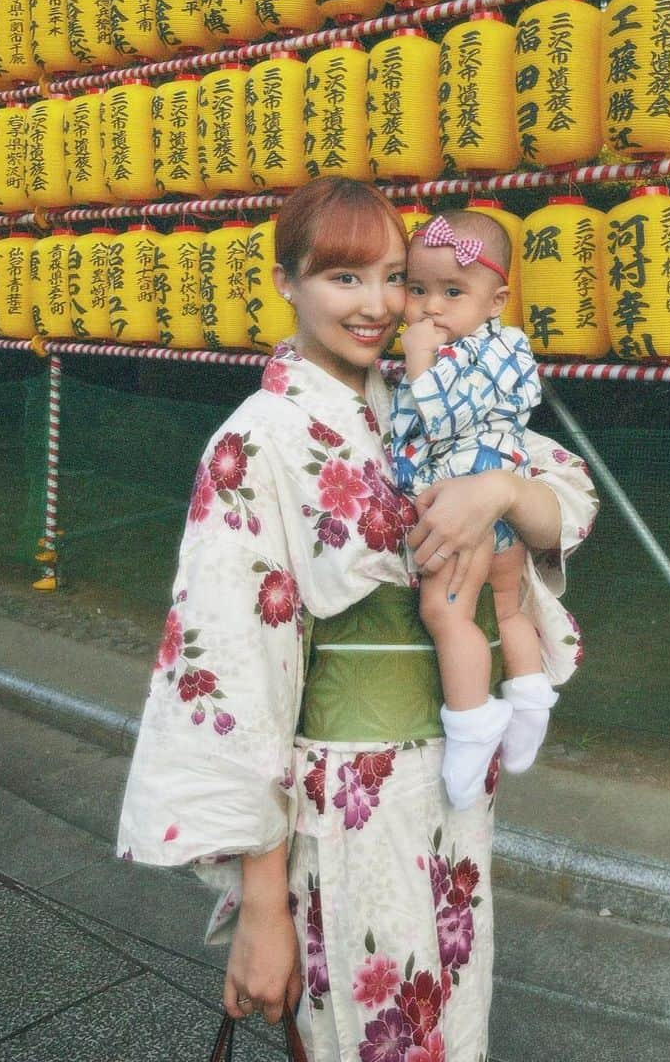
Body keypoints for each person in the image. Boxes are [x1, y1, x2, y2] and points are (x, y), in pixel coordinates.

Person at [116, 178, 597, 1062]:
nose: (379, 306)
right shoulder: (254, 441)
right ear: (286, 282)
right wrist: (264, 907)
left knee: (453, 1026)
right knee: (371, 1036)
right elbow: (232, 674)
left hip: (451, 787)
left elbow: (565, 497)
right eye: (344, 278)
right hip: (343, 802)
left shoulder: (422, 399)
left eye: (392, 277)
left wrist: (500, 486)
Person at [390, 211, 560, 811]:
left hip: (462, 508)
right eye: (417, 290)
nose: (430, 308)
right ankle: (530, 703)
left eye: (452, 292)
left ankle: (472, 723)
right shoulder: (490, 347)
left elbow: (446, 416)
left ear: (497, 300)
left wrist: (418, 363)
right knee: (508, 607)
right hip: (500, 506)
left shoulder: (492, 351)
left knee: (445, 612)